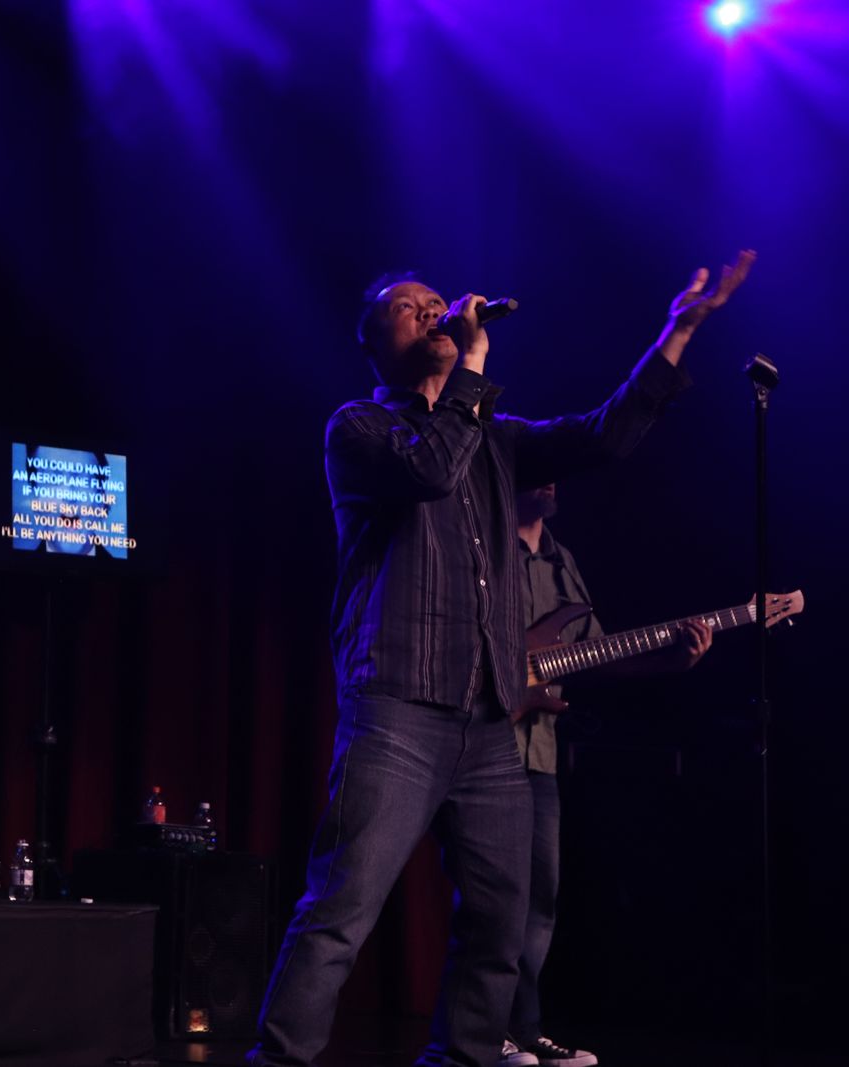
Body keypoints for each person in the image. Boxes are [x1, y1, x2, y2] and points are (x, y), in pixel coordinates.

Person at [247, 249, 753, 1067]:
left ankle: (467, 1058)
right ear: (372, 342)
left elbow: (604, 436)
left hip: (488, 719)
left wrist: (678, 334)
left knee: (499, 922)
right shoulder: (360, 428)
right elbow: (429, 468)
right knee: (341, 906)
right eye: (408, 306)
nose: (432, 309)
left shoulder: (495, 439)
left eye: (435, 300)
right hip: (397, 709)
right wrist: (472, 366)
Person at [501, 484, 711, 1067]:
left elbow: (595, 658)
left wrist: (673, 661)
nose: (552, 483)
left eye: (557, 476)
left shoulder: (563, 562)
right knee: (493, 899)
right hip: (486, 749)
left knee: (541, 900)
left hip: (541, 752)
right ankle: (482, 1032)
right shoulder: (484, 544)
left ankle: (523, 1030)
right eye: (541, 470)